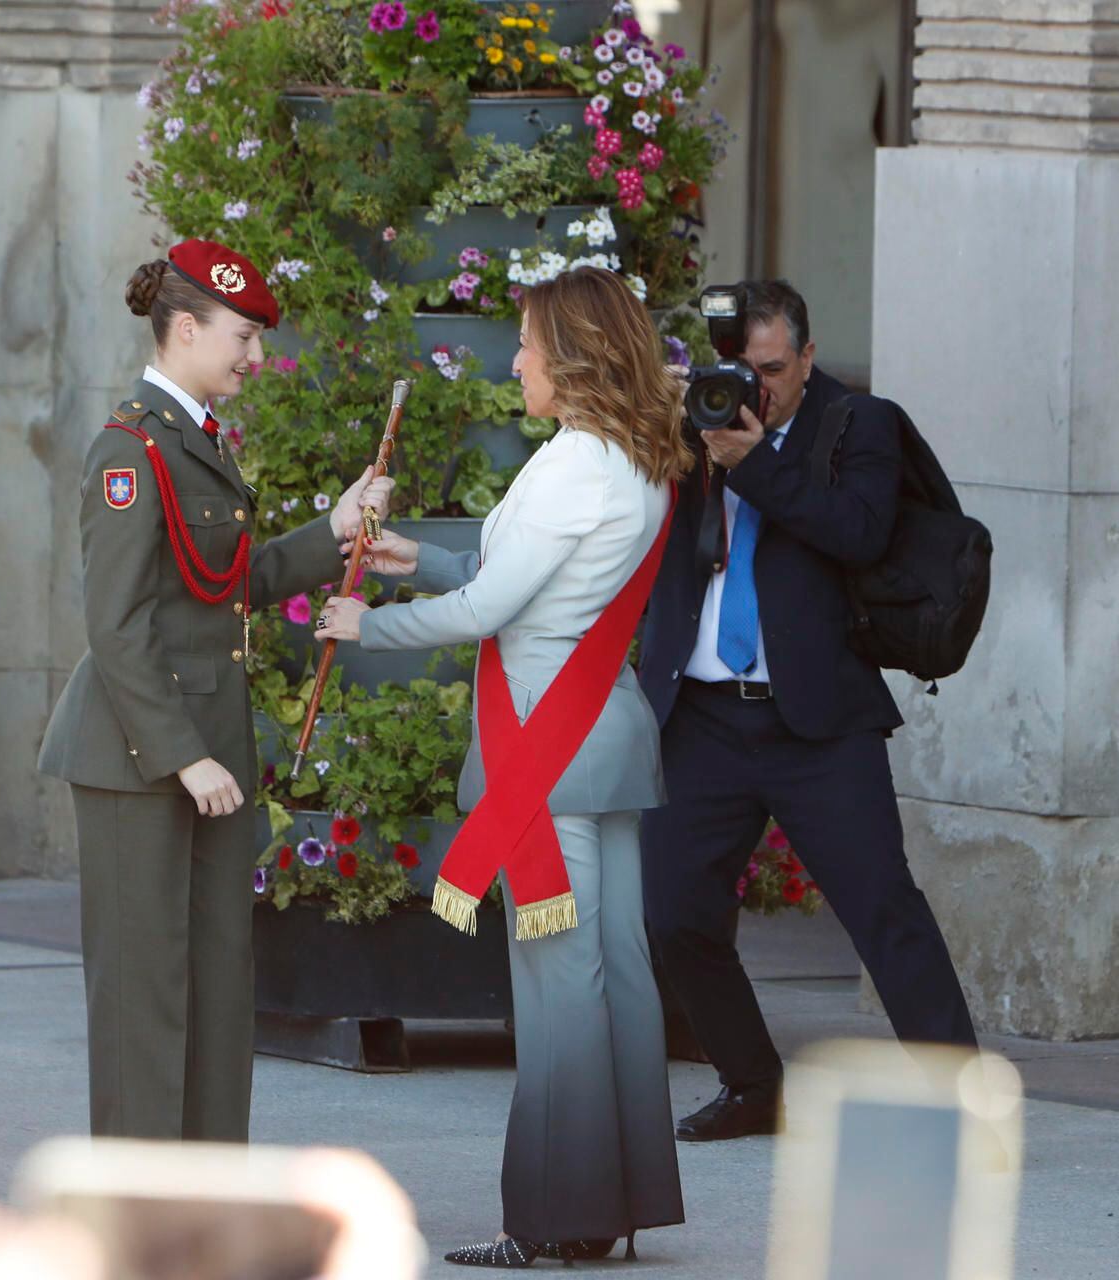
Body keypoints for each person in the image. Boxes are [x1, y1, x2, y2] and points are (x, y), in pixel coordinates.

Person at [318, 266, 687, 1266]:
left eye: (528, 342)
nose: (515, 358)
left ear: (571, 356)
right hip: (598, 736)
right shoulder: (634, 457)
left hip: (545, 750)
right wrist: (419, 560)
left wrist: (367, 625)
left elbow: (492, 612)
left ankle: (551, 1218)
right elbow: (519, 580)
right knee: (617, 975)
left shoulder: (573, 464)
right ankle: (610, 1202)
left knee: (560, 984)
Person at [37, 240, 392, 1141]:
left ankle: (204, 1203)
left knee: (216, 987)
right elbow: (117, 628)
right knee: (144, 998)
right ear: (186, 329)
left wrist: (335, 529)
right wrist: (183, 754)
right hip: (143, 757)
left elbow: (220, 582)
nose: (257, 357)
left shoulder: (192, 438)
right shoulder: (130, 452)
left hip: (205, 753)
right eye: (243, 336)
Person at [635, 280, 977, 1143]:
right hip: (704, 714)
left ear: (808, 357)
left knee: (882, 910)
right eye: (737, 370)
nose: (755, 389)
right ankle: (753, 1084)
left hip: (818, 719)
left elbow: (859, 531)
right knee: (674, 913)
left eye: (773, 370)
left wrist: (757, 461)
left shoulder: (859, 425)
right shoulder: (692, 424)